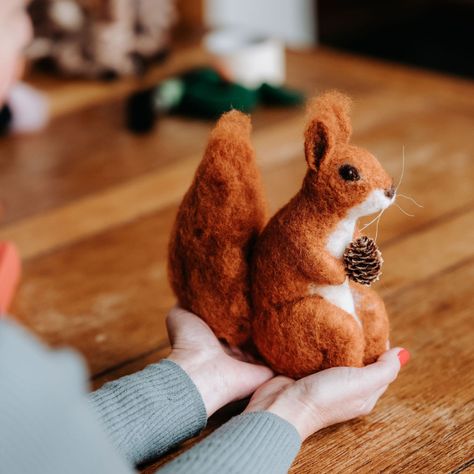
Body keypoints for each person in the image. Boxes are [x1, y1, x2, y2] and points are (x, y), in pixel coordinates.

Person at [0, 2, 409, 473]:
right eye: (13, 13)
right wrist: (295, 414)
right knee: (340, 328)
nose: (29, 25)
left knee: (368, 312)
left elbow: (46, 449)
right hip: (295, 310)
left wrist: (194, 382)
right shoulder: (18, 369)